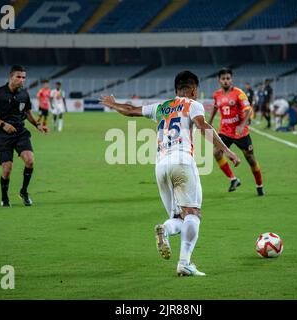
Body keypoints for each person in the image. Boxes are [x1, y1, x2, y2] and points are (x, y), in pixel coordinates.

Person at [99, 71, 241, 277]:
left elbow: (129, 111)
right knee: (193, 214)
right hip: (182, 162)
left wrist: (113, 104)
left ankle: (165, 229)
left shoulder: (161, 106)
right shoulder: (193, 105)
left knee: (178, 217)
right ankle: (184, 262)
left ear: (176, 90)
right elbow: (203, 126)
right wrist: (227, 151)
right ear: (193, 90)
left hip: (160, 166)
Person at [0, 65, 49, 207]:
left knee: (30, 161)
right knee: (7, 169)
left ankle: (24, 192)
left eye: (23, 77)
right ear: (11, 77)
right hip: (3, 135)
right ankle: (4, 197)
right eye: (18, 77)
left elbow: (27, 112)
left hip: (20, 133)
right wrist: (3, 124)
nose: (21, 80)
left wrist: (37, 125)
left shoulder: (24, 94)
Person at [209, 68, 264, 196]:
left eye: (228, 78)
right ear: (219, 80)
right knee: (216, 153)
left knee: (250, 159)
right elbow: (215, 108)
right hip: (225, 131)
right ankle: (233, 179)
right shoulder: (217, 95)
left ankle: (259, 186)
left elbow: (248, 110)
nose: (226, 81)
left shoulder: (239, 93)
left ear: (231, 79)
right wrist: (209, 122)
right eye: (223, 79)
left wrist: (242, 125)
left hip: (241, 133)